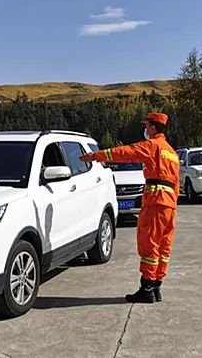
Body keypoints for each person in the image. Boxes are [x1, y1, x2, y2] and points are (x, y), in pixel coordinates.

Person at [80, 112, 180, 303]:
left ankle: (147, 288)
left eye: (146, 126)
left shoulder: (152, 145)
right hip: (169, 204)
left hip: (156, 200)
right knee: (164, 245)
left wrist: (97, 156)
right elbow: (176, 184)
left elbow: (127, 152)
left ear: (152, 127)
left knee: (149, 243)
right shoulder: (172, 153)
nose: (144, 129)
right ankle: (156, 286)